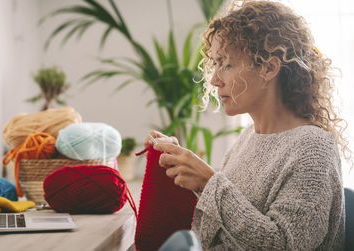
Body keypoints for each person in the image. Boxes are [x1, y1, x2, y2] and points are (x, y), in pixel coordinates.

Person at [144, 1, 348, 250]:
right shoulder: (248, 137)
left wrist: (208, 183)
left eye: (226, 64)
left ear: (269, 68)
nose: (215, 79)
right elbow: (224, 226)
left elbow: (282, 245)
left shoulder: (313, 150)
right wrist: (178, 166)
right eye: (216, 64)